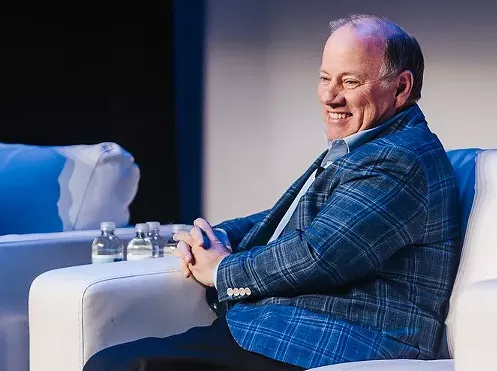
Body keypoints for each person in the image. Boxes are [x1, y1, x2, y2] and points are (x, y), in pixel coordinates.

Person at [84, 14, 460, 371]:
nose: (330, 97)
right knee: (113, 358)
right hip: (286, 329)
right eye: (325, 78)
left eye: (349, 82)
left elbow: (318, 254)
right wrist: (218, 236)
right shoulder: (371, 145)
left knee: (114, 365)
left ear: (401, 87)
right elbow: (290, 219)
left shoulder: (400, 158)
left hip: (339, 341)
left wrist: (220, 269)